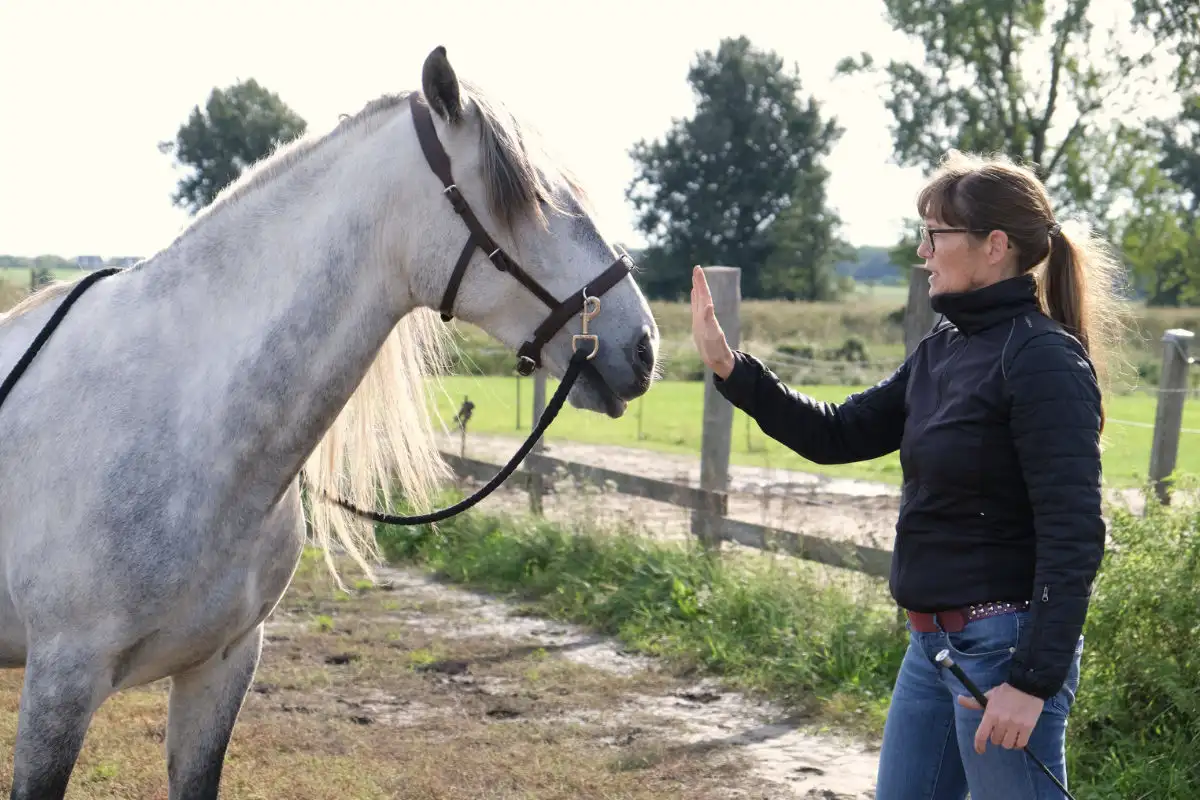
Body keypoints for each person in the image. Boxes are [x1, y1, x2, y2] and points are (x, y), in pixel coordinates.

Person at [691, 149, 1124, 799]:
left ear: (993, 246)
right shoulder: (940, 351)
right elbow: (836, 433)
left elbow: (1074, 535)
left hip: (1003, 655)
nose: (921, 251)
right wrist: (732, 369)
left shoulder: (1044, 362)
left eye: (934, 235)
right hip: (935, 649)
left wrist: (1031, 682)